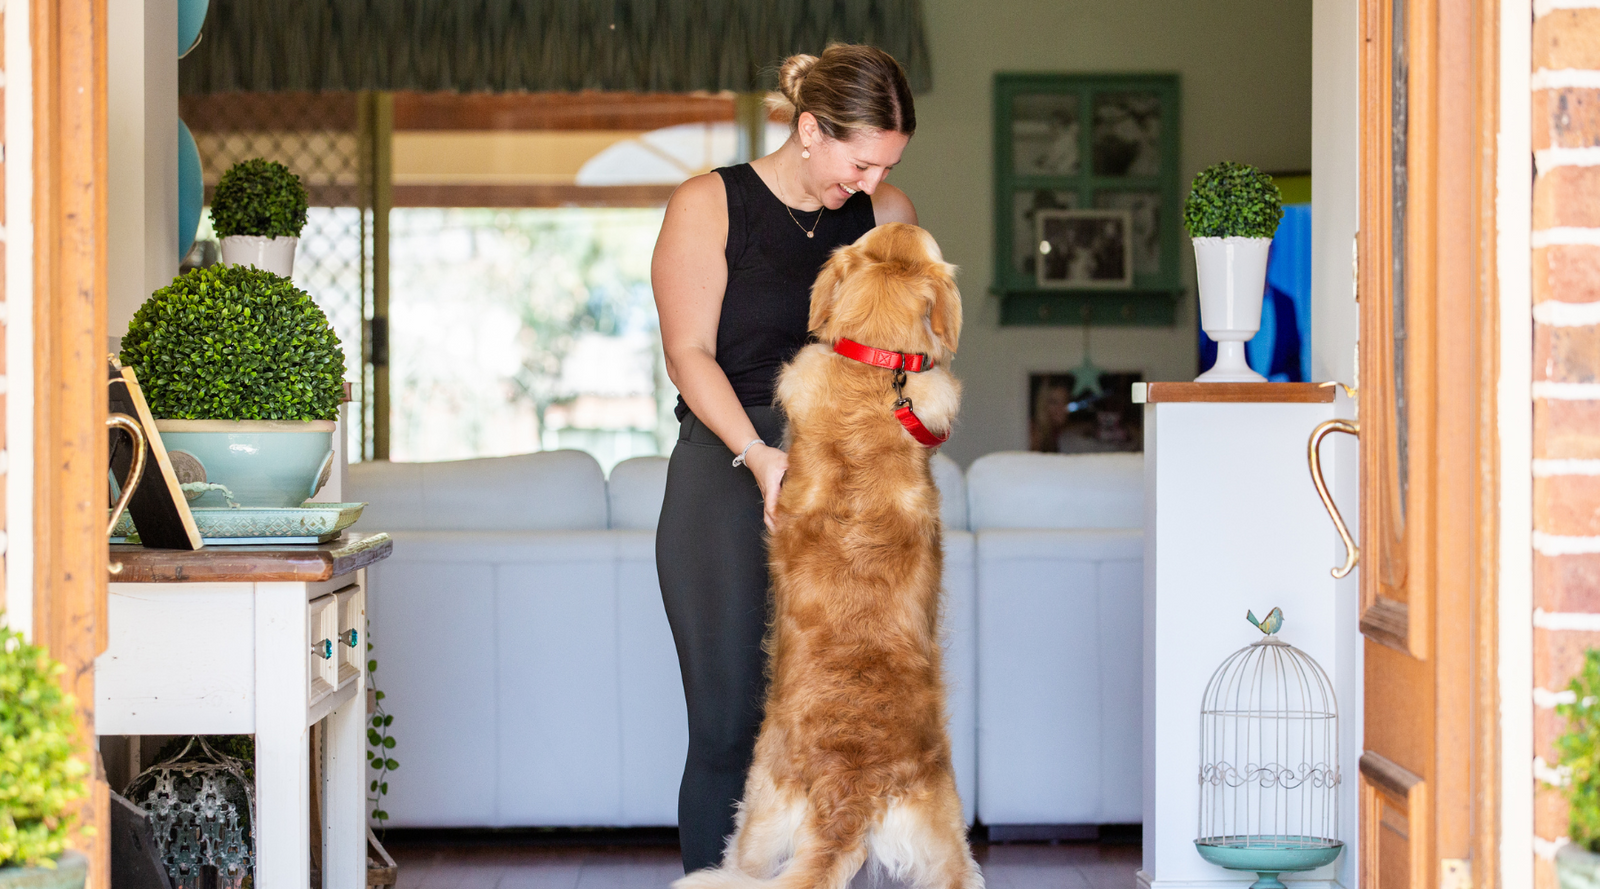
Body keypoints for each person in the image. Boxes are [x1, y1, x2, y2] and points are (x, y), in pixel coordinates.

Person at [650, 44, 919, 873]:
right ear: (810, 129)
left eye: (886, 165)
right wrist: (760, 455)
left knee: (846, 727)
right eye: (860, 160)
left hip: (846, 479)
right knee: (729, 725)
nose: (870, 182)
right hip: (727, 469)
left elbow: (909, 352)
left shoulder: (884, 215)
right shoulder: (709, 203)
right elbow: (688, 352)